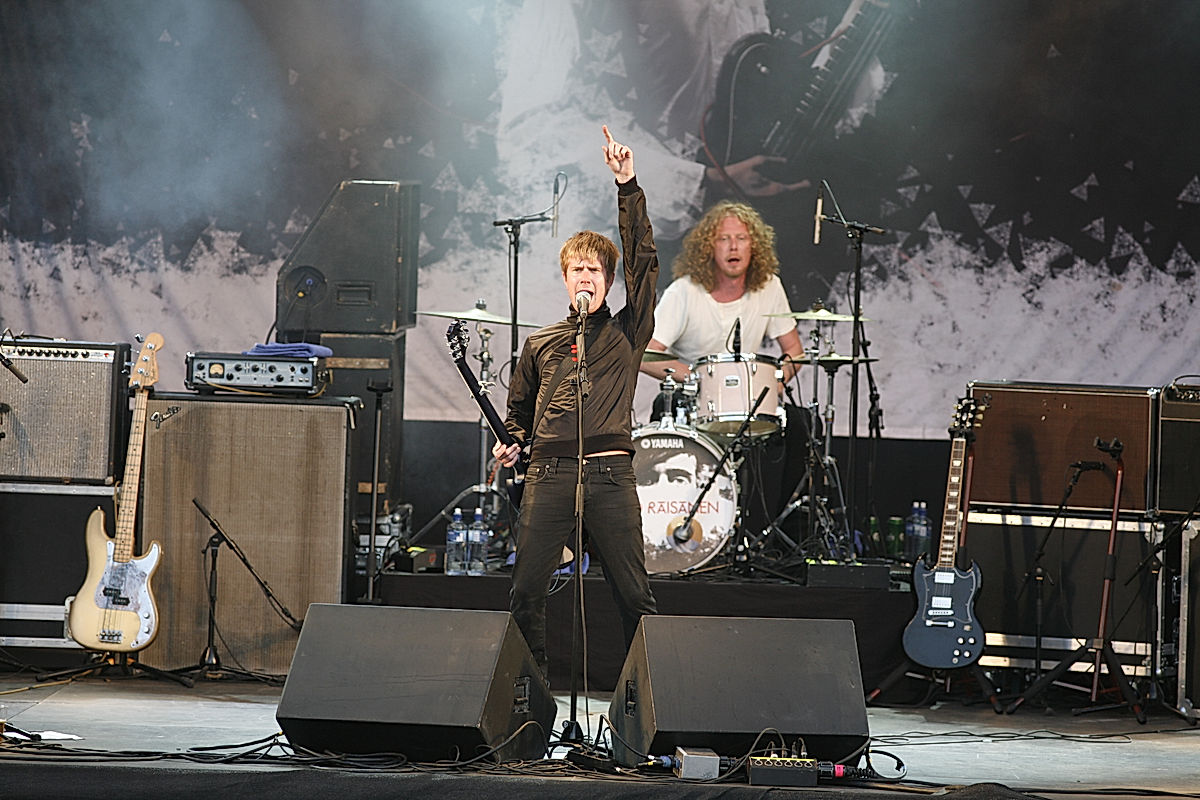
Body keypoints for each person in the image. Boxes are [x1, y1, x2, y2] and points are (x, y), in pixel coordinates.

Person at [493, 125, 657, 675]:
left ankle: (651, 704)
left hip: (610, 475)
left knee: (635, 598)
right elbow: (517, 417)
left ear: (609, 281)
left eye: (595, 270)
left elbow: (644, 264)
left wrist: (627, 186)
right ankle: (527, 697)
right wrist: (512, 443)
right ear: (565, 278)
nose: (586, 276)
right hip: (548, 475)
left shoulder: (627, 331)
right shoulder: (541, 343)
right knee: (525, 594)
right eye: (577, 269)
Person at [640, 200, 805, 387]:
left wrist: (773, 384)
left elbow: (794, 351)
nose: (733, 246)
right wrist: (702, 380)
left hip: (748, 403)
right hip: (692, 401)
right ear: (709, 247)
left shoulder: (770, 286)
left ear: (755, 246)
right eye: (723, 239)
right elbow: (645, 356)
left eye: (742, 238)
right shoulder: (683, 291)